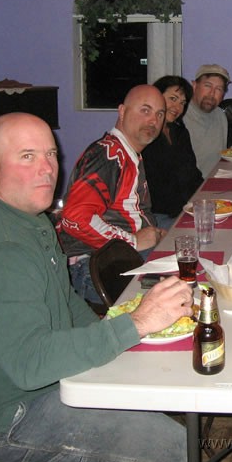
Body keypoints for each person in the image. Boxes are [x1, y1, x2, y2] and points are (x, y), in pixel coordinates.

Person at [0, 112, 192, 462]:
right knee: (171, 448)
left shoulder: (30, 220)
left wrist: (116, 334)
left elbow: (65, 301)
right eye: (27, 156)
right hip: (2, 421)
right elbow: (31, 364)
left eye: (50, 154)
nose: (47, 168)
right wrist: (134, 325)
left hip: (36, 386)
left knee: (151, 381)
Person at [57, 84, 166, 305]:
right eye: (145, 110)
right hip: (95, 268)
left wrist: (152, 232)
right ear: (122, 112)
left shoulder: (128, 154)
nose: (153, 120)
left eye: (159, 114)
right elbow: (75, 218)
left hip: (120, 256)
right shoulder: (108, 156)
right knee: (181, 288)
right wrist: (133, 241)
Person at [142, 75, 204, 230]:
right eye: (173, 98)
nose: (177, 107)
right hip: (157, 217)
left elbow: (192, 173)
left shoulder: (179, 131)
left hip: (185, 209)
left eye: (182, 103)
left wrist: (206, 196)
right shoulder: (144, 135)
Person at [183, 63, 230, 176]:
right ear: (194, 86)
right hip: (190, 188)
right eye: (208, 86)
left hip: (215, 185)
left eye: (218, 89)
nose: (212, 93)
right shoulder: (181, 115)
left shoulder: (220, 116)